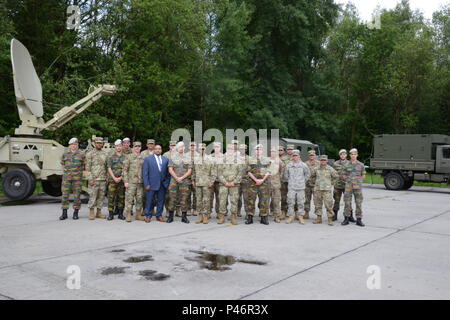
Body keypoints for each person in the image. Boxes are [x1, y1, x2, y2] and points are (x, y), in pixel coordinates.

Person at [143, 144, 170, 223]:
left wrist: (166, 183)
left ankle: (159, 215)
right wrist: (146, 184)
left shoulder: (165, 159)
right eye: (156, 149)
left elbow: (168, 173)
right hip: (151, 184)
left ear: (161, 150)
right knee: (149, 200)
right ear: (154, 150)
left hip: (162, 185)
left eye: (159, 149)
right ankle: (148, 216)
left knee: (161, 200)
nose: (158, 150)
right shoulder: (148, 159)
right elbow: (145, 173)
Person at [60, 137, 85, 220]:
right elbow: (62, 164)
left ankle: (75, 213)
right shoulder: (65, 154)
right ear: (69, 145)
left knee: (77, 195)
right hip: (67, 178)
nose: (74, 146)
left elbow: (84, 165)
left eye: (75, 144)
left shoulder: (81, 154)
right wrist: (66, 172)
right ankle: (64, 213)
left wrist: (80, 173)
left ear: (77, 145)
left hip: (77, 178)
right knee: (65, 195)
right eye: (72, 144)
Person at [167, 142, 192, 223]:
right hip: (174, 181)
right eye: (179, 147)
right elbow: (170, 169)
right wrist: (177, 178)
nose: (181, 148)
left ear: (184, 148)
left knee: (184, 198)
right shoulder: (173, 157)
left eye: (182, 147)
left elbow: (189, 171)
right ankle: (170, 216)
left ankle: (184, 217)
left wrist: (181, 177)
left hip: (184, 181)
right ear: (177, 148)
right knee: (172, 198)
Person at [245, 144, 271, 225]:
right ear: (254, 150)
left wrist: (262, 180)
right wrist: (256, 180)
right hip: (252, 183)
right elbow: (248, 172)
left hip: (264, 183)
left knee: (264, 200)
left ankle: (264, 217)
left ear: (262, 150)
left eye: (260, 149)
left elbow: (269, 171)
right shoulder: (250, 160)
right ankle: (250, 217)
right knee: (251, 200)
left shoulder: (267, 160)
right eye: (257, 149)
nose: (258, 151)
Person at [217, 144, 243, 225]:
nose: (230, 150)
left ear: (234, 150)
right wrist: (225, 182)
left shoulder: (238, 160)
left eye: (231, 149)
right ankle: (221, 217)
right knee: (222, 201)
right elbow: (219, 173)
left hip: (234, 185)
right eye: (228, 149)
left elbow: (240, 173)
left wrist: (234, 182)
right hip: (223, 184)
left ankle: (233, 217)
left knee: (234, 201)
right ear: (226, 150)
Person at [284, 150, 310, 224]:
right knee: (290, 202)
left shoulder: (303, 165)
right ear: (292, 156)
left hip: (300, 187)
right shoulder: (289, 165)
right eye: (293, 155)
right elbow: (286, 175)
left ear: (299, 156)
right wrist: (291, 181)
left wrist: (302, 181)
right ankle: (291, 216)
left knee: (301, 202)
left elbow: (307, 174)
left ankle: (300, 216)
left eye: (296, 155)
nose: (295, 157)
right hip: (291, 187)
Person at [310, 155, 338, 226]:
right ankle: (319, 218)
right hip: (318, 189)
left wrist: (331, 184)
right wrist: (314, 184)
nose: (323, 161)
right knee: (317, 204)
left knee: (328, 204)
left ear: (327, 161)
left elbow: (336, 177)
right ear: (320, 161)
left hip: (327, 190)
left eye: (324, 160)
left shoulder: (330, 169)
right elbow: (312, 176)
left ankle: (330, 219)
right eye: (322, 160)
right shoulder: (316, 169)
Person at [342, 148, 366, 227]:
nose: (353, 156)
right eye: (352, 154)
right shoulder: (346, 165)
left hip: (357, 187)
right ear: (350, 155)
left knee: (358, 203)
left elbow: (364, 175)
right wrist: (347, 179)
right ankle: (346, 218)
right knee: (347, 203)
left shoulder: (361, 165)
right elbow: (343, 174)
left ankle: (359, 220)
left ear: (357, 155)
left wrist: (359, 180)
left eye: (354, 154)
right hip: (348, 186)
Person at [193, 143, 216, 224]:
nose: (202, 150)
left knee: (206, 200)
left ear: (205, 149)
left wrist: (211, 182)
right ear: (198, 149)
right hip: (198, 182)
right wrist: (193, 181)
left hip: (207, 183)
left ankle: (205, 216)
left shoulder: (210, 159)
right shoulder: (195, 159)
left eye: (203, 148)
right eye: (200, 148)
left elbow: (213, 171)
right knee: (198, 200)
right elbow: (193, 171)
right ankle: (200, 216)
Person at [85, 137, 107, 220]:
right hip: (93, 179)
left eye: (100, 143)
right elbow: (87, 168)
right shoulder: (90, 154)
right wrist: (90, 178)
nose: (99, 144)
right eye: (97, 143)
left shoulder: (105, 154)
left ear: (102, 144)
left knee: (101, 197)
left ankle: (99, 212)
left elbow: (106, 166)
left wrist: (107, 177)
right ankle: (91, 212)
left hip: (103, 179)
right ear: (94, 143)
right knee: (92, 196)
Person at [123, 142, 145, 222]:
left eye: (139, 146)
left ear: (141, 147)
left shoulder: (143, 158)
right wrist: (125, 181)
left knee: (139, 199)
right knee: (129, 198)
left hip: (140, 182)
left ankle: (138, 215)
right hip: (131, 182)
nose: (137, 148)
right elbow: (125, 170)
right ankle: (128, 214)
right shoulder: (128, 157)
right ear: (133, 147)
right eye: (136, 146)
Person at [106, 139, 126, 220]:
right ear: (115, 147)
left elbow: (125, 168)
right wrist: (114, 178)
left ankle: (120, 214)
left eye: (120, 146)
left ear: (122, 147)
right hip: (112, 180)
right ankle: (110, 214)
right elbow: (109, 168)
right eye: (117, 146)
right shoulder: (111, 157)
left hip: (121, 180)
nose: (118, 148)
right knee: (111, 197)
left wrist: (121, 177)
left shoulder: (125, 157)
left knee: (121, 197)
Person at [333, 149, 350, 221]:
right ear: (339, 155)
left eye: (344, 154)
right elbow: (333, 173)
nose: (343, 155)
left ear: (346, 155)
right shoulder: (335, 163)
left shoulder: (350, 163)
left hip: (346, 185)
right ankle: (334, 215)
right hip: (337, 185)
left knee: (347, 201)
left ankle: (349, 216)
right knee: (336, 201)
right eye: (341, 154)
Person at [269, 147, 285, 222]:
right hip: (267, 184)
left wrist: (278, 179)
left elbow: (282, 172)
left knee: (276, 201)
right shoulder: (266, 161)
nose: (273, 153)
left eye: (274, 152)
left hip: (276, 184)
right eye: (271, 152)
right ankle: (264, 215)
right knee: (265, 201)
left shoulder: (280, 162)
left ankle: (277, 216)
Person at [304, 149, 320, 220]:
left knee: (317, 200)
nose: (311, 156)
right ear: (308, 156)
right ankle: (306, 213)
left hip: (316, 185)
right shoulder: (305, 163)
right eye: (310, 155)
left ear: (315, 155)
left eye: (313, 155)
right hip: (307, 185)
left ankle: (318, 215)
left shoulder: (319, 163)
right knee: (306, 200)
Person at [209, 142, 223, 219]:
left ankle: (219, 213)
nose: (216, 148)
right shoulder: (209, 157)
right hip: (211, 181)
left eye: (218, 147)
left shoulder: (224, 157)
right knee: (209, 197)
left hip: (220, 180)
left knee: (219, 197)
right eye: (215, 147)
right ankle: (208, 213)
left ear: (220, 148)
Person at [163, 141, 177, 216]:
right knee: (168, 195)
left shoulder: (180, 154)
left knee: (178, 195)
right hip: (168, 177)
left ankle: (178, 210)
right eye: (171, 145)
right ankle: (168, 210)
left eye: (174, 145)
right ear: (169, 146)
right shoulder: (165, 155)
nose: (173, 147)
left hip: (177, 177)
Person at [280, 145, 293, 220]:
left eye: (291, 149)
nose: (290, 150)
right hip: (284, 180)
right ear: (286, 150)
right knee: (283, 196)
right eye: (288, 149)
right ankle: (283, 212)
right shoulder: (282, 158)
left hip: (293, 181)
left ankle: (291, 212)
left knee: (292, 197)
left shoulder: (296, 158)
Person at [187, 141, 199, 216]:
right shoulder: (185, 156)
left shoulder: (199, 155)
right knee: (187, 194)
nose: (192, 147)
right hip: (187, 177)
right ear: (188, 147)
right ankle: (188, 209)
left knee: (196, 194)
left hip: (197, 177)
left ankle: (195, 209)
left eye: (193, 146)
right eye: (191, 146)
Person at [237, 144, 249, 218]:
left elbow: (251, 170)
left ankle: (247, 213)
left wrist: (246, 177)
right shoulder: (235, 158)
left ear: (246, 150)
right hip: (237, 181)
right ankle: (237, 211)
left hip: (246, 181)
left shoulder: (249, 159)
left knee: (246, 198)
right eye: (241, 149)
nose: (242, 150)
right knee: (237, 197)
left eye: (243, 149)